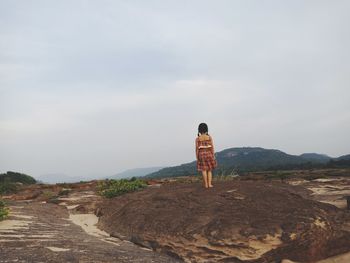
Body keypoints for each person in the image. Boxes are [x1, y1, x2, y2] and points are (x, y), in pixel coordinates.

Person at [195, 123, 217, 188]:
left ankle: (206, 185)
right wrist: (213, 155)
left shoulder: (198, 139)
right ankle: (210, 184)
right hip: (209, 153)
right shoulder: (209, 137)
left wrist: (197, 157)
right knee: (209, 170)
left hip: (201, 154)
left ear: (199, 130)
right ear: (206, 129)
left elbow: (196, 149)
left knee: (203, 170)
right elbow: (212, 147)